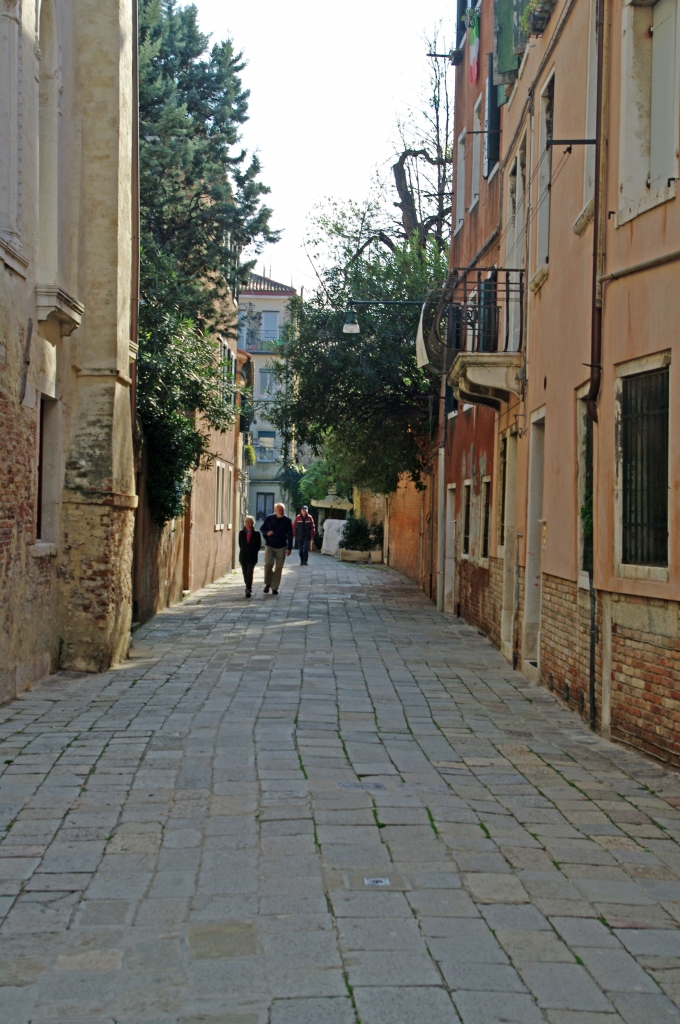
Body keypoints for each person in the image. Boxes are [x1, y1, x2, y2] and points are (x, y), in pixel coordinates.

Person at [261, 502, 292, 594]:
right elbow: (262, 528)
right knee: (269, 564)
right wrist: (267, 532)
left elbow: (290, 534)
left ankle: (274, 587)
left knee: (279, 567)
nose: (281, 511)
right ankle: (268, 583)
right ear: (275, 510)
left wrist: (289, 548)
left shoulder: (287, 520)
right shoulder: (269, 518)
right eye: (279, 510)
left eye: (282, 510)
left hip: (281, 546)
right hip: (270, 545)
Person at [238, 516, 261, 598]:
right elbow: (240, 544)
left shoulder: (256, 534)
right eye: (247, 522)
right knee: (245, 572)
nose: (248, 524)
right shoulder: (241, 533)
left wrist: (253, 552)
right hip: (243, 556)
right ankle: (247, 585)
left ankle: (248, 588)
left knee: (249, 572)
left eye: (250, 522)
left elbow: (258, 545)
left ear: (252, 523)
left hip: (252, 556)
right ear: (245, 523)